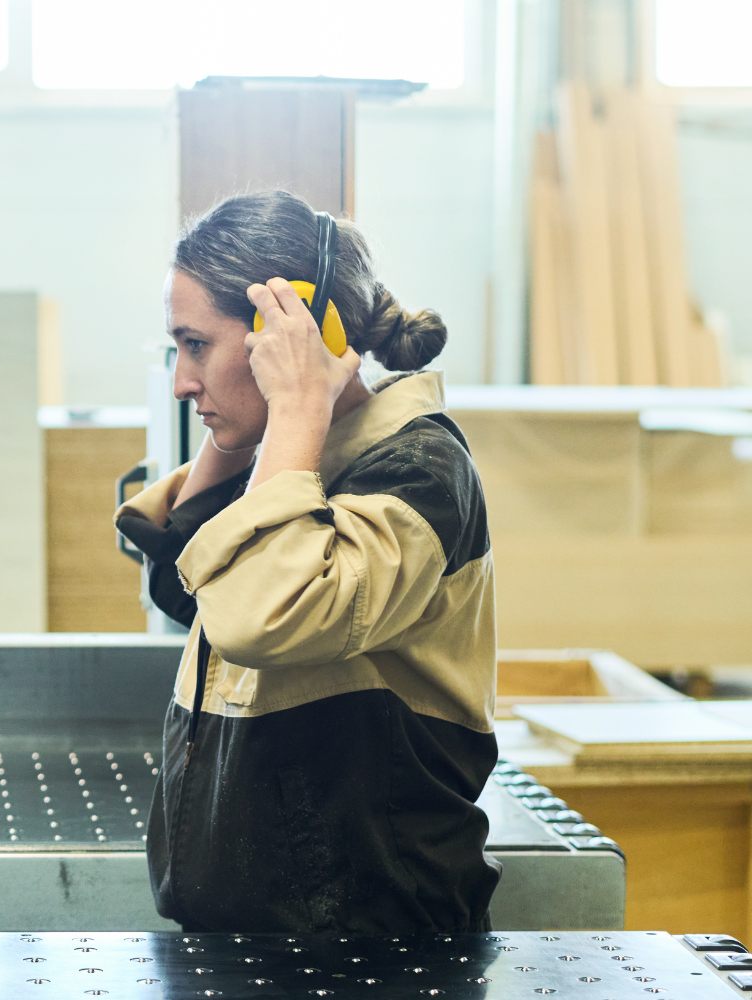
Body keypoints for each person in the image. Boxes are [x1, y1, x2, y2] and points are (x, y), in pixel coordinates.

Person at [115, 190, 499, 934]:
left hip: (375, 945)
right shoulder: (296, 465)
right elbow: (183, 586)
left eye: (197, 346)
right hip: (274, 936)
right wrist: (240, 436)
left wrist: (290, 410)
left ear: (289, 334)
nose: (181, 382)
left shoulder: (417, 473)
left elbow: (263, 620)